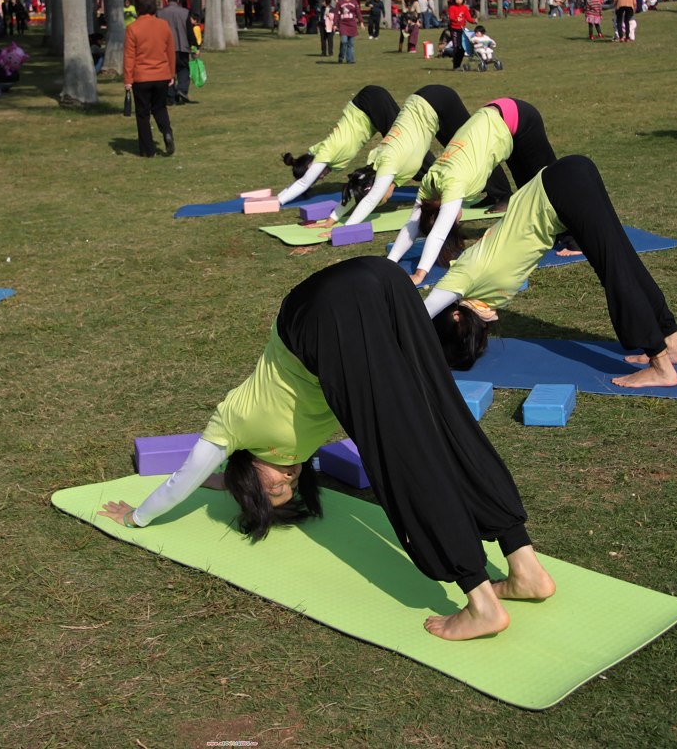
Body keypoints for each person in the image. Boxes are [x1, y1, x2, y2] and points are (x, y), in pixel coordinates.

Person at [99, 256, 556, 641]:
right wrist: (225, 482)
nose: (288, 479)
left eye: (273, 488)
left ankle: (480, 602)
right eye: (290, 490)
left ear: (247, 479)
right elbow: (221, 478)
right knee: (444, 420)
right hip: (381, 280)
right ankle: (524, 567)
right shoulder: (303, 446)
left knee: (405, 458)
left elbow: (185, 478)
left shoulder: (232, 424)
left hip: (320, 313)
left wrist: (136, 516)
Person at [422, 155, 677, 390]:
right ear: (457, 315)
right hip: (564, 180)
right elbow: (425, 311)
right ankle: (671, 343)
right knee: (622, 262)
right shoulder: (476, 290)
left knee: (617, 269)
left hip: (563, 187)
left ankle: (661, 365)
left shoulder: (479, 291)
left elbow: (420, 313)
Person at [388, 98, 559, 282]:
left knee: (552, 183)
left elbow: (438, 233)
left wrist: (420, 274)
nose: (457, 220)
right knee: (530, 188)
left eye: (452, 221)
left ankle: (574, 241)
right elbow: (412, 226)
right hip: (496, 113)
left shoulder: (452, 184)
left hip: (517, 116)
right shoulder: (430, 182)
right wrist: (390, 263)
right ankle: (553, 231)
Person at [324, 86, 512, 228]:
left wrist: (346, 229)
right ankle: (492, 194)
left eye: (381, 198)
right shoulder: (374, 166)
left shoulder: (388, 164)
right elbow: (357, 186)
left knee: (472, 149)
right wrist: (331, 219)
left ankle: (503, 195)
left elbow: (371, 197)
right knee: (459, 151)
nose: (384, 200)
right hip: (424, 102)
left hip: (438, 101)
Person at [277, 85, 401, 205]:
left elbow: (304, 182)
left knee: (403, 143)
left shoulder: (326, 153)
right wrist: (278, 196)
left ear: (310, 165)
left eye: (315, 177)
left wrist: (278, 202)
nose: (320, 178)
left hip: (369, 103)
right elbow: (302, 180)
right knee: (404, 141)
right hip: (369, 107)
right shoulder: (320, 154)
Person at [124, 0, 176, 157]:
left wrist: (128, 79)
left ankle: (147, 150)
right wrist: (171, 74)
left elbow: (129, 56)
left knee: (143, 113)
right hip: (161, 74)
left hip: (141, 76)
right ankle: (166, 131)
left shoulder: (133, 28)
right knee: (160, 108)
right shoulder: (163, 25)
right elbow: (170, 52)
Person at [157, 0, 196, 105]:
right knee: (183, 69)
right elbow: (190, 31)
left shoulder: (160, 13)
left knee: (168, 72)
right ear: (178, 1)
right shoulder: (185, 12)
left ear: (166, 0)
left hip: (165, 48)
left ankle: (170, 95)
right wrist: (194, 44)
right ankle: (182, 89)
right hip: (182, 46)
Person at [446, 0, 474, 71]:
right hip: (454, 30)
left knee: (462, 49)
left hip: (462, 30)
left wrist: (473, 21)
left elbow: (468, 17)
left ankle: (458, 65)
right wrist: (456, 19)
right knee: (457, 47)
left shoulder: (465, 8)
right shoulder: (452, 8)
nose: (458, 0)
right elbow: (451, 17)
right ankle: (455, 66)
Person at [334, 0, 362, 64]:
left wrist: (361, 22)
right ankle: (341, 56)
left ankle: (350, 60)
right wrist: (335, 24)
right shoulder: (340, 2)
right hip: (343, 25)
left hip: (352, 25)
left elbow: (358, 12)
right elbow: (336, 14)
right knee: (344, 41)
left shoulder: (354, 2)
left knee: (351, 44)